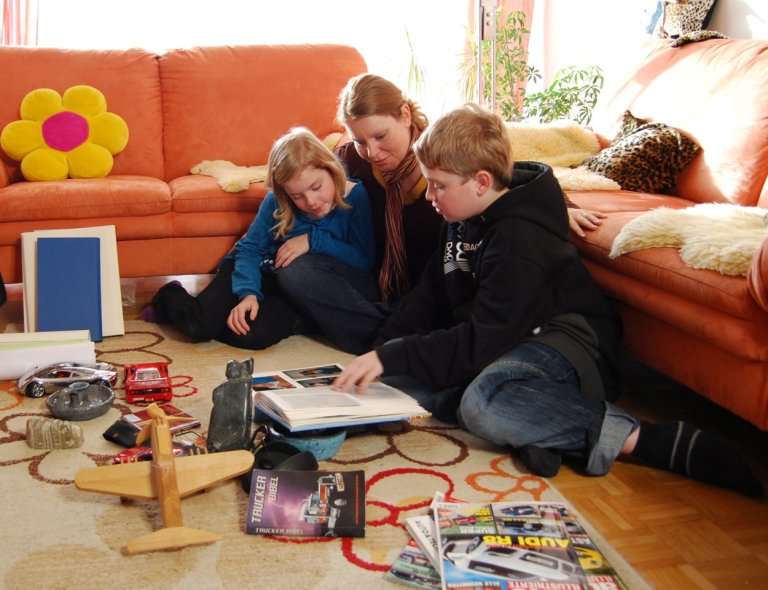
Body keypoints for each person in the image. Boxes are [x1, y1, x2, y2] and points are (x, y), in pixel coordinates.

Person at [332, 104, 763, 499]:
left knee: (481, 404)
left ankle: (646, 440)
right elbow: (429, 297)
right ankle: (538, 431)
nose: (430, 196)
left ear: (481, 181)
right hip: (508, 337)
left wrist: (395, 355)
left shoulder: (520, 240)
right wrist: (378, 351)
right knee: (399, 382)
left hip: (566, 344)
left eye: (439, 186)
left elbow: (484, 339)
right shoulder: (459, 216)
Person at [142, 127, 379, 353]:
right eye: (297, 196)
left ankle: (299, 320)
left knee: (250, 334)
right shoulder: (276, 201)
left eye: (316, 187)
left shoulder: (356, 196)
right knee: (199, 326)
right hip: (256, 270)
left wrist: (314, 240)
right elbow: (249, 250)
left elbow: (364, 262)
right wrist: (248, 294)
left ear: (331, 170)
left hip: (294, 288)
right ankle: (169, 295)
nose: (311, 201)